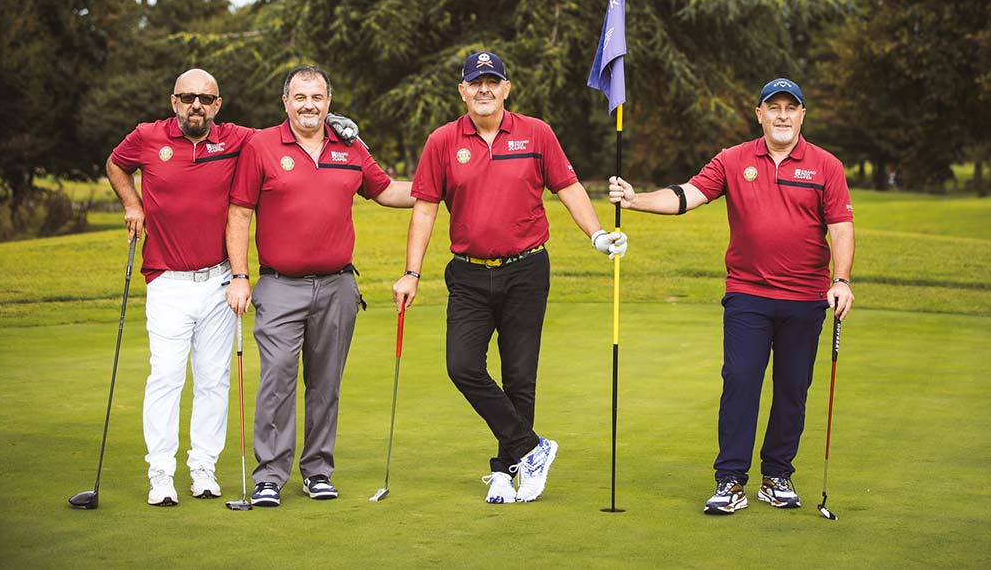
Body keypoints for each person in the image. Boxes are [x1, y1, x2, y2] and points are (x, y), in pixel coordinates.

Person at [608, 77, 855, 515]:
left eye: (790, 108)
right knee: (740, 380)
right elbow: (688, 195)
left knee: (792, 388)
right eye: (773, 107)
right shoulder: (733, 159)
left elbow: (840, 227)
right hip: (747, 294)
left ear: (802, 115)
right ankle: (731, 480)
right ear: (759, 114)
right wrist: (635, 199)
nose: (782, 116)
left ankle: (776, 475)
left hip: (805, 297)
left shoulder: (826, 166)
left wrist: (842, 280)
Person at [392, 51, 627, 504]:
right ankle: (532, 448)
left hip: (526, 270)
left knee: (520, 377)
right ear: (462, 91)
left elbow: (568, 187)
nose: (484, 89)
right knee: (462, 366)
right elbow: (424, 209)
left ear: (506, 88)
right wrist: (411, 273)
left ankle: (507, 469)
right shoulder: (442, 141)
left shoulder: (536, 133)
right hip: (468, 274)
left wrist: (597, 234)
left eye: (492, 81)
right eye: (475, 82)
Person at [225, 65, 413, 507]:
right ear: (286, 102)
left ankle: (317, 471)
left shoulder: (349, 146)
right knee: (277, 379)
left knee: (326, 384)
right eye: (300, 97)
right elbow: (239, 212)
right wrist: (239, 276)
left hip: (337, 287)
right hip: (279, 285)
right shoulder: (261, 146)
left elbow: (386, 191)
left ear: (328, 102)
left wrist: (445, 185)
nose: (309, 105)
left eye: (317, 97)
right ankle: (270, 476)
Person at [105, 68, 252, 506]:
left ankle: (203, 466)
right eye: (187, 98)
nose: (196, 106)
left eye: (205, 99)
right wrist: (132, 203)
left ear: (217, 105)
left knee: (213, 380)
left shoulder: (235, 139)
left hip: (219, 281)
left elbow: (286, 136)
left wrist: (332, 124)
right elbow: (116, 164)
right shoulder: (148, 136)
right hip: (167, 281)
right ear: (174, 101)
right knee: (166, 377)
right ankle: (161, 473)